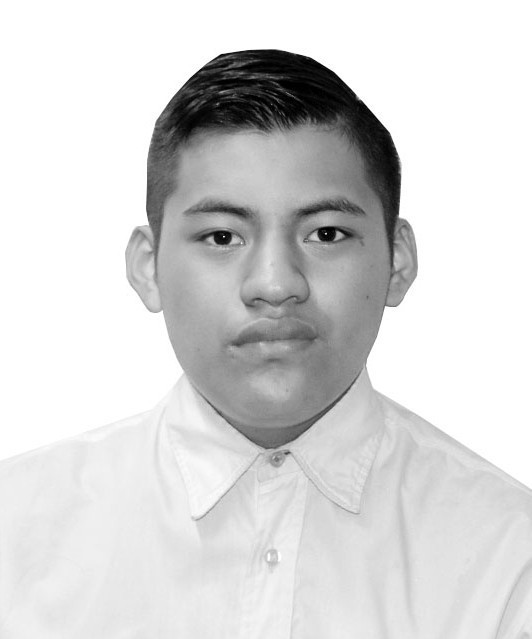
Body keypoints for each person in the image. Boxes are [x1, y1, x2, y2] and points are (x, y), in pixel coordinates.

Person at [0, 49, 530, 638]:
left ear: (397, 261)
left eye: (326, 233)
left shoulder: (510, 557)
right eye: (221, 237)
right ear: (148, 267)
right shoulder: (15, 531)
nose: (275, 285)